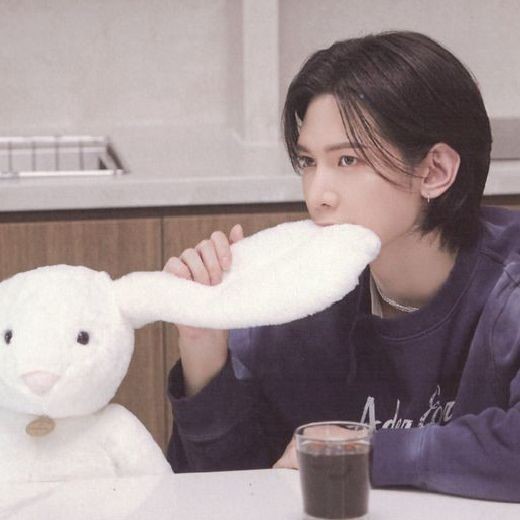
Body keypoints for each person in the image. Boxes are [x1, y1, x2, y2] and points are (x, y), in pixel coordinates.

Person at [163, 31, 520, 501]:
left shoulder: (509, 284)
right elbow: (224, 490)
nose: (317, 196)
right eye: (308, 161)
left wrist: (358, 452)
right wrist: (204, 346)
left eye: (348, 159)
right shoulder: (294, 298)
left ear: (435, 171)